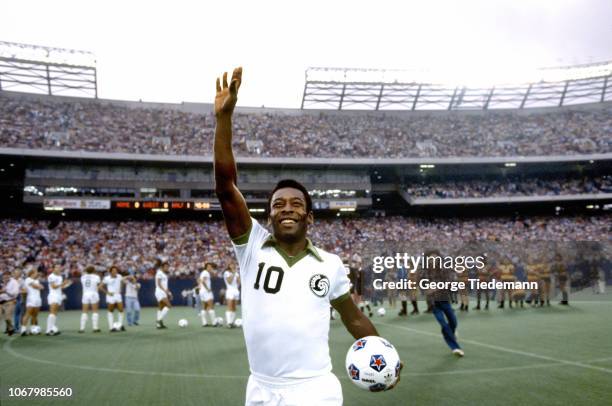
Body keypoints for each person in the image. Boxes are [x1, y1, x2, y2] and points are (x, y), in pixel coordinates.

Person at [213, 67, 400, 404]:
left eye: (296, 204)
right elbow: (226, 188)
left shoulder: (330, 264)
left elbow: (353, 317)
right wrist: (224, 119)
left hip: (315, 390)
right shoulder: (251, 246)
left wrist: (386, 357)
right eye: (278, 204)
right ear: (268, 215)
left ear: (309, 216)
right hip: (260, 389)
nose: (287, 208)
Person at [422, 250, 464, 357]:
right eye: (431, 258)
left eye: (435, 258)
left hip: (445, 299)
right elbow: (423, 287)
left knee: (453, 321)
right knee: (443, 324)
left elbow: (449, 282)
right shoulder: (424, 272)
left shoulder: (443, 270)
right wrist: (427, 290)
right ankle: (455, 347)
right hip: (433, 303)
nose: (433, 260)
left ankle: (450, 333)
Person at [46, 265, 72, 336]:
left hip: (58, 296)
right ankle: (48, 330)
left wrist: (67, 284)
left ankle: (53, 328)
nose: (59, 268)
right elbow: (53, 287)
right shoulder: (51, 276)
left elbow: (60, 287)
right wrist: (63, 283)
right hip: (53, 296)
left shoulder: (60, 276)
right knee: (52, 312)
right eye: (57, 267)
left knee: (55, 313)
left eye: (59, 267)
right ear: (53, 268)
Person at [100, 265, 125, 332]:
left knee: (121, 310)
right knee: (111, 311)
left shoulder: (119, 276)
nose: (115, 272)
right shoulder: (107, 278)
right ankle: (111, 327)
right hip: (111, 296)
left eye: (116, 270)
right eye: (113, 271)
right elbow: (100, 287)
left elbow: (122, 282)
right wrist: (107, 293)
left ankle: (120, 325)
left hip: (118, 295)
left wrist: (121, 289)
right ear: (110, 272)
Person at [20, 269, 44, 336]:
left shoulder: (36, 280)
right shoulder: (28, 279)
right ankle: (23, 330)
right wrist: (39, 286)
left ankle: (32, 329)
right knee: (27, 314)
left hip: (38, 299)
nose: (37, 273)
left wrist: (39, 287)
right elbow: (37, 287)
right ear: (32, 273)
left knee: (35, 315)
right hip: (31, 299)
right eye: (36, 272)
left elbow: (41, 287)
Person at [79, 265, 101, 333]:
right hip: (93, 293)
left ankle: (82, 328)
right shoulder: (97, 277)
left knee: (84, 312)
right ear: (94, 270)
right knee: (95, 311)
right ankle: (95, 328)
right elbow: (98, 284)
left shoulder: (82, 277)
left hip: (85, 294)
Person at [198, 262, 219, 327]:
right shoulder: (206, 273)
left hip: (202, 291)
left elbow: (199, 280)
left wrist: (200, 287)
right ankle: (214, 323)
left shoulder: (203, 272)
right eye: (209, 267)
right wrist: (207, 289)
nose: (210, 268)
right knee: (211, 306)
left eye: (211, 267)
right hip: (206, 292)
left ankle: (204, 323)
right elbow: (203, 281)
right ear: (206, 267)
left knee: (204, 307)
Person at [0, 271, 20, 335]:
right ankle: (10, 328)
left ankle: (10, 328)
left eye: (7, 275)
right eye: (4, 275)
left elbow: (15, 293)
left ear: (10, 276)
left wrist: (6, 291)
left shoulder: (14, 282)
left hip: (9, 301)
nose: (5, 277)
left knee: (7, 318)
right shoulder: (1, 282)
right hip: (0, 302)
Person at [155, 261, 172, 329]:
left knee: (161, 307)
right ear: (162, 267)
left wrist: (169, 292)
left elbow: (165, 286)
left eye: (168, 267)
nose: (167, 268)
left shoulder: (164, 274)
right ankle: (159, 320)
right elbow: (158, 284)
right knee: (168, 305)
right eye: (166, 267)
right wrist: (165, 291)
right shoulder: (159, 273)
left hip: (163, 292)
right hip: (159, 292)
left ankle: (159, 325)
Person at [223, 262, 240, 327]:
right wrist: (233, 273)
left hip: (236, 291)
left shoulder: (236, 273)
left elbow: (239, 282)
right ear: (229, 265)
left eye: (234, 264)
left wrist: (236, 274)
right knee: (229, 307)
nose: (233, 265)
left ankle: (232, 322)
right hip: (230, 291)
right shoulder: (226, 273)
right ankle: (229, 322)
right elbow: (229, 282)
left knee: (234, 307)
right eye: (231, 264)